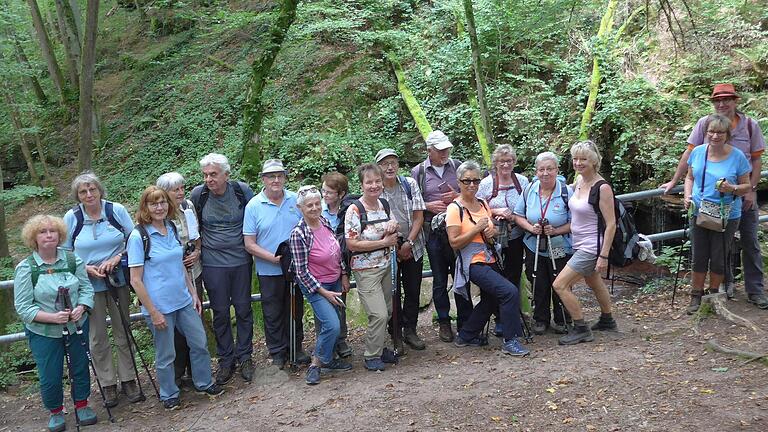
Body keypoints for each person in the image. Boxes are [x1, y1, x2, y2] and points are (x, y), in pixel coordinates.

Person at [661, 84, 767, 309]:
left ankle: (755, 291)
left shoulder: (749, 126)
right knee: (712, 249)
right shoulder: (704, 124)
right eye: (718, 100)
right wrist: (674, 181)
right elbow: (690, 156)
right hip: (705, 204)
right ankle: (721, 289)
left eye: (727, 99)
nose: (722, 104)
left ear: (735, 101)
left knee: (749, 242)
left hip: (741, 196)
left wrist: (751, 190)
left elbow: (756, 160)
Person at [127, 186, 224, 410]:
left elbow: (180, 265)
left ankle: (204, 382)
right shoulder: (138, 236)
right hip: (159, 306)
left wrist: (193, 293)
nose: (159, 207)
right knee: (166, 352)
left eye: (162, 202)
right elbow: (136, 280)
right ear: (145, 207)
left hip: (183, 300)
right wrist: (152, 311)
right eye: (153, 203)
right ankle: (169, 392)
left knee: (199, 342)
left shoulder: (171, 227)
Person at [62, 172, 139, 407]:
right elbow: (64, 252)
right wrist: (84, 268)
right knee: (97, 335)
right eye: (83, 192)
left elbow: (134, 238)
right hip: (86, 285)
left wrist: (117, 258)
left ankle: (128, 379)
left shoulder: (115, 211)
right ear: (78, 196)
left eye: (92, 189)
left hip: (117, 279)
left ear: (99, 190)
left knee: (123, 328)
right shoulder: (72, 218)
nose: (89, 195)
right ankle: (107, 384)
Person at [14, 215, 97, 432]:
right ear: (34, 237)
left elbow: (87, 289)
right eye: (42, 232)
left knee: (80, 367)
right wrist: (53, 318)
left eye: (52, 231)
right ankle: (56, 411)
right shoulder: (26, 268)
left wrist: (82, 307)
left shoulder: (72, 260)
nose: (49, 235)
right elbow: (24, 307)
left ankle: (82, 405)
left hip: (76, 326)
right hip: (43, 332)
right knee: (50, 373)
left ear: (60, 234)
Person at [446, 161, 529, 357]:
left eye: (476, 180)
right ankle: (510, 340)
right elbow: (454, 243)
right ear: (459, 182)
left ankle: (466, 335)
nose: (472, 185)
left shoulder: (483, 203)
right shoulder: (454, 208)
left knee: (491, 299)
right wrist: (476, 228)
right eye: (467, 181)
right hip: (472, 262)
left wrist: (492, 229)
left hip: (491, 257)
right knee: (509, 291)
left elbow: (490, 231)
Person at [190, 153, 255, 384]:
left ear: (226, 174)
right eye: (206, 175)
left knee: (243, 308)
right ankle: (226, 359)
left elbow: (255, 218)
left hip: (241, 260)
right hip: (213, 263)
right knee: (219, 312)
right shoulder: (199, 195)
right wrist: (196, 251)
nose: (209, 179)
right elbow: (193, 228)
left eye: (213, 174)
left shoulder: (241, 191)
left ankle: (245, 355)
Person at [683, 114, 752, 314]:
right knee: (699, 255)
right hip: (698, 211)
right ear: (706, 133)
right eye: (711, 131)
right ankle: (696, 296)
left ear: (727, 135)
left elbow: (746, 186)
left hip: (726, 214)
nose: (715, 136)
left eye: (720, 132)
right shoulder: (697, 152)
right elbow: (689, 178)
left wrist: (731, 188)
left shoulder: (737, 156)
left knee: (719, 255)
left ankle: (713, 295)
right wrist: (687, 196)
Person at [244, 159, 308, 368]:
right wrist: (272, 258)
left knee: (295, 308)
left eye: (280, 175)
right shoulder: (254, 205)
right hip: (268, 269)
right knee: (272, 312)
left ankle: (295, 348)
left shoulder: (295, 200)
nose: (276, 180)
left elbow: (308, 226)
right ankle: (278, 353)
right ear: (263, 179)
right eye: (271, 176)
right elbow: (249, 244)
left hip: (295, 268)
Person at [552, 141, 617, 345]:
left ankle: (581, 328)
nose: (578, 163)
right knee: (593, 281)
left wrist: (604, 255)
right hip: (578, 242)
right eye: (575, 159)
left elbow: (611, 224)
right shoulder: (579, 181)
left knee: (560, 285)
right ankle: (608, 320)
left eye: (583, 159)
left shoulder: (602, 187)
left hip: (592, 246)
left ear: (594, 161)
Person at [411, 130, 472, 342]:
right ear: (430, 150)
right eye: (440, 149)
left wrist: (457, 196)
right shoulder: (418, 172)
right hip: (432, 231)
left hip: (457, 227)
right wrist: (427, 205)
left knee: (461, 274)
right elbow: (412, 202)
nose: (445, 152)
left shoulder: (457, 166)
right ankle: (444, 322)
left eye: (446, 148)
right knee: (438, 279)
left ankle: (466, 320)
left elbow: (471, 193)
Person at [289, 185, 353, 385]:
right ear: (300, 208)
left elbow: (336, 251)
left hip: (334, 280)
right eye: (309, 205)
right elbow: (301, 272)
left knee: (337, 320)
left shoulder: (324, 222)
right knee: (332, 325)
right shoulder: (298, 234)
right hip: (316, 286)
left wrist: (343, 274)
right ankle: (316, 364)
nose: (315, 208)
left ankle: (329, 359)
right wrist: (324, 292)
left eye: (318, 203)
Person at [345, 163, 400, 371]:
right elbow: (352, 243)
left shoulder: (383, 205)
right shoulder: (355, 210)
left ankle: (379, 347)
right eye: (369, 182)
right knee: (378, 314)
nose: (374, 185)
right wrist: (383, 243)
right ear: (361, 185)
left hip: (386, 265)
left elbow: (394, 228)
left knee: (386, 309)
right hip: (366, 269)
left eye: (377, 181)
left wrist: (394, 227)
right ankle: (371, 355)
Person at [514, 152, 573, 334]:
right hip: (535, 245)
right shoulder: (529, 190)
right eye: (541, 169)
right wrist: (531, 228)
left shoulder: (566, 192)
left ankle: (563, 318)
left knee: (560, 280)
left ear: (557, 170)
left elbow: (576, 221)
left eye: (550, 169)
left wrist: (556, 230)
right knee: (538, 280)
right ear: (536, 171)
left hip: (559, 245)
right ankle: (541, 319)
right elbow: (518, 215)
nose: (545, 173)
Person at [156, 172, 205, 387]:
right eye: (175, 189)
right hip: (171, 277)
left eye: (182, 188)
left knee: (195, 319)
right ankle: (178, 371)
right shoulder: (160, 214)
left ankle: (197, 372)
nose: (180, 193)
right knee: (175, 329)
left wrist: (197, 252)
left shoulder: (188, 207)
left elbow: (196, 235)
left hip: (194, 271)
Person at [376, 148, 427, 352]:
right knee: (392, 292)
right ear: (378, 166)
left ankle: (410, 330)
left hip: (413, 246)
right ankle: (395, 332)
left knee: (413, 290)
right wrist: (394, 246)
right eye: (385, 163)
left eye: (393, 163)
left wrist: (409, 243)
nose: (389, 167)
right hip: (388, 250)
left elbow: (419, 216)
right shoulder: (375, 190)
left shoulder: (409, 184)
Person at [476, 144, 529, 336]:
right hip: (492, 238)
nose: (505, 165)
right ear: (495, 163)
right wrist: (496, 211)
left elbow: (528, 205)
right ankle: (497, 318)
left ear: (514, 162)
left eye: (509, 161)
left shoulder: (522, 181)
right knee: (494, 277)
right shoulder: (486, 184)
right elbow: (477, 208)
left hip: (516, 236)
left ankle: (512, 319)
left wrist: (513, 216)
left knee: (513, 276)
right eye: (501, 161)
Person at [321, 171, 353, 358]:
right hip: (321, 266)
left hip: (341, 265)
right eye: (323, 191)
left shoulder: (348, 211)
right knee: (323, 304)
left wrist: (345, 272)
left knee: (340, 302)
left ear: (340, 194)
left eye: (329, 192)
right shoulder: (318, 210)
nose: (325, 195)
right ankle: (327, 341)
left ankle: (341, 339)